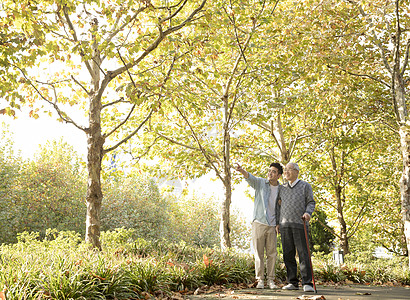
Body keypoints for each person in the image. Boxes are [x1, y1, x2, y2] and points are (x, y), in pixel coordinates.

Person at [235, 162, 283, 289]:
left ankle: (271, 280)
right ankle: (260, 279)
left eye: (273, 171)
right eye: (269, 171)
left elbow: (281, 208)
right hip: (259, 223)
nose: (270, 173)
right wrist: (241, 170)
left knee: (272, 254)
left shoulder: (282, 189)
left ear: (279, 175)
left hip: (273, 226)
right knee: (259, 253)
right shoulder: (261, 183)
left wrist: (278, 224)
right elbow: (250, 178)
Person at [277, 162, 315, 292]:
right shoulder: (282, 188)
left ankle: (307, 283)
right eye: (285, 170)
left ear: (297, 171)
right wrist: (277, 223)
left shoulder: (305, 186)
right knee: (288, 254)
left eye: (289, 169)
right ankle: (292, 282)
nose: (286, 172)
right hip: (284, 225)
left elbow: (311, 202)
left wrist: (308, 213)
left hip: (300, 224)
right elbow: (278, 206)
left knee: (303, 254)